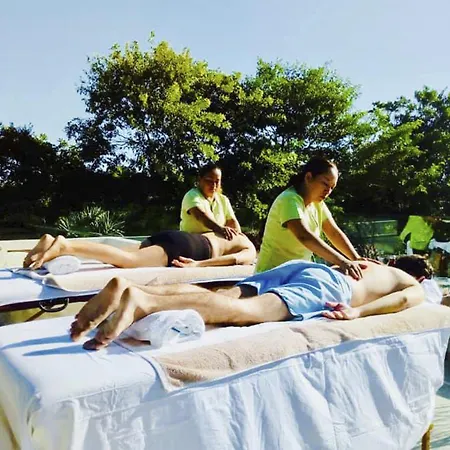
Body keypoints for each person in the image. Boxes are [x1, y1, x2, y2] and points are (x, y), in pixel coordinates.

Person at [70, 255, 428, 350]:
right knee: (248, 313)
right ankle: (143, 301)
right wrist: (357, 311)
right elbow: (402, 300)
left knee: (220, 299)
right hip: (331, 284)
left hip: (305, 266)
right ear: (422, 277)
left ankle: (131, 289)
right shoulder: (413, 283)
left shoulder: (379, 265)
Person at [256, 156, 363, 279]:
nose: (328, 191)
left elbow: (333, 232)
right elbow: (304, 236)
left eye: (332, 187)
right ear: (308, 177)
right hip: (270, 276)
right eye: (325, 183)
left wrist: (356, 258)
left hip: (296, 275)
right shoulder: (289, 199)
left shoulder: (318, 204)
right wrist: (342, 262)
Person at [23, 230, 256, 270]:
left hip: (179, 236)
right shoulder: (249, 246)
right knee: (127, 261)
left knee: (119, 255)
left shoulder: (232, 233)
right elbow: (234, 260)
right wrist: (198, 264)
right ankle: (66, 245)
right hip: (192, 248)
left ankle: (50, 242)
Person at [180, 163, 241, 240]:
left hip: (217, 243)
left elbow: (232, 222)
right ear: (200, 180)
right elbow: (201, 216)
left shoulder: (223, 200)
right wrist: (220, 229)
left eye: (217, 181)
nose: (213, 185)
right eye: (209, 181)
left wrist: (238, 237)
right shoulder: (192, 195)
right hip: (191, 242)